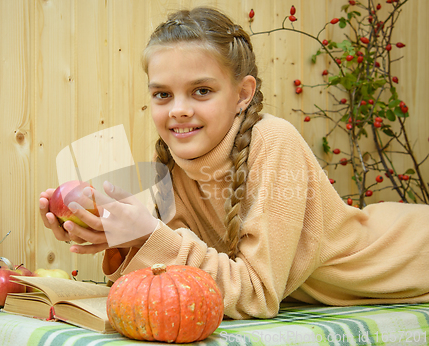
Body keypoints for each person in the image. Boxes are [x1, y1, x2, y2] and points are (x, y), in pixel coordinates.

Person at [39, 7, 429, 319]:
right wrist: (125, 239)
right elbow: (183, 288)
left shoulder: (273, 141)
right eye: (162, 94)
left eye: (201, 90)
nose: (178, 110)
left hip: (411, 253)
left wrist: (150, 234)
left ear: (242, 94)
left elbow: (256, 295)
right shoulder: (168, 170)